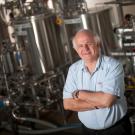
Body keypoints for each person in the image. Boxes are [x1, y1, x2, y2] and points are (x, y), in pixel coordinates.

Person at [63, 29, 132, 135]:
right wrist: (98, 104)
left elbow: (107, 101)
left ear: (98, 44)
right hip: (87, 130)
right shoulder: (73, 69)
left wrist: (79, 94)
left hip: (116, 129)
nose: (85, 48)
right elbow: (68, 104)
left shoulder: (113, 66)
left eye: (89, 44)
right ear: (76, 49)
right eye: (80, 46)